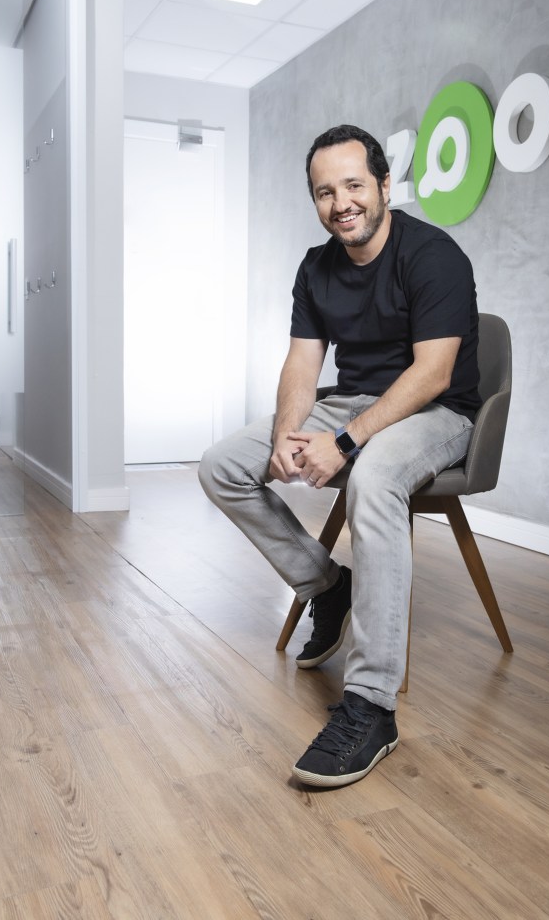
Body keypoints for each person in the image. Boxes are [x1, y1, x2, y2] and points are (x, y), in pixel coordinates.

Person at [199, 124, 480, 788]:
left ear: (384, 185)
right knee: (221, 466)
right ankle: (327, 585)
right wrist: (287, 434)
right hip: (351, 401)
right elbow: (303, 362)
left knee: (373, 477)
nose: (341, 203)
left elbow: (433, 373)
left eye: (354, 185)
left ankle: (371, 706)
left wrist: (346, 442)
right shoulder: (316, 266)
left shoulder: (433, 255)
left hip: (436, 412)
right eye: (325, 192)